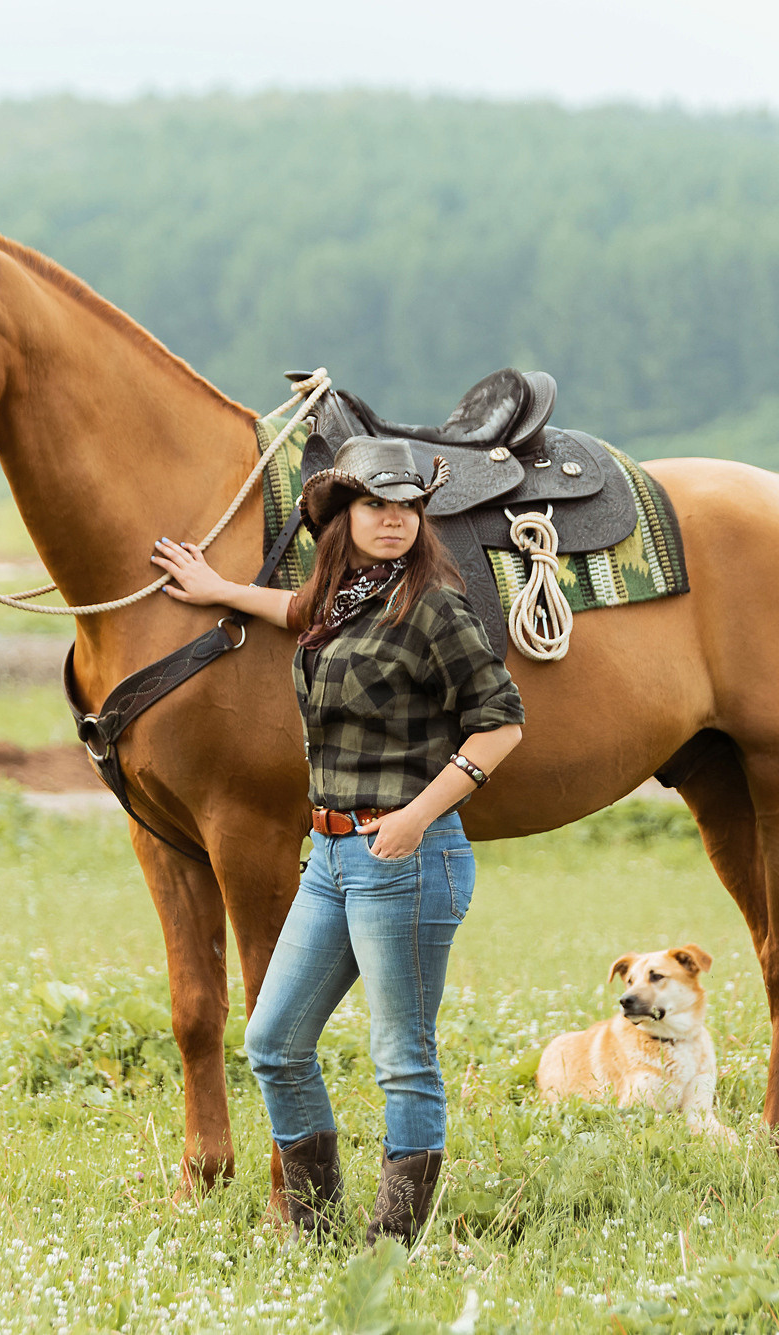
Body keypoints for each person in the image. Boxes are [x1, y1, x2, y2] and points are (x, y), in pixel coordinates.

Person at [150, 435, 524, 1246]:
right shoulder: (342, 597)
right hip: (328, 858)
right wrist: (217, 589)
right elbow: (295, 614)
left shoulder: (435, 605)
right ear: (345, 519)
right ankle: (318, 1227)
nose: (392, 521)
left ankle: (389, 1245)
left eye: (405, 508)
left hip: (408, 857)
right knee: (273, 1040)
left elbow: (502, 723)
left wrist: (419, 815)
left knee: (402, 1058)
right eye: (375, 506)